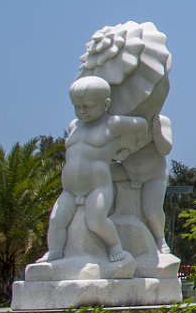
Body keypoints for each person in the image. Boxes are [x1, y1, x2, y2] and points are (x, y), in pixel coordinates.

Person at [43, 75, 148, 266]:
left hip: (97, 186)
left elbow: (141, 125)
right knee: (56, 220)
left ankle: (115, 245)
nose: (82, 111)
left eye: (88, 106)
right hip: (69, 189)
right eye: (77, 106)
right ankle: (55, 251)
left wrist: (135, 145)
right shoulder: (74, 126)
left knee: (96, 220)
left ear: (105, 104)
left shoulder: (113, 124)